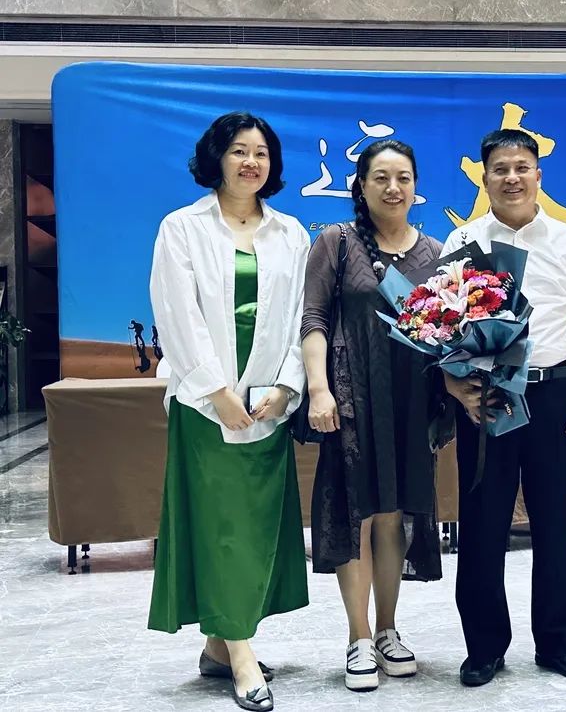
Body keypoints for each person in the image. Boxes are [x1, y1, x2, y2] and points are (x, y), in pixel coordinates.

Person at [148, 112, 310, 712]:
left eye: (261, 153)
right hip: (205, 406)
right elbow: (176, 312)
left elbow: (302, 317)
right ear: (216, 156)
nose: (251, 162)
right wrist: (216, 391)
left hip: (266, 404)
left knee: (255, 529)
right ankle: (242, 657)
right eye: (239, 151)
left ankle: (219, 648)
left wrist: (287, 387)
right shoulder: (183, 227)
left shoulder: (291, 233)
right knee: (220, 529)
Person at [442, 129, 566, 687]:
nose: (511, 178)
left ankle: (559, 644)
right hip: (488, 396)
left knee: (553, 525)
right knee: (483, 526)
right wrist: (455, 386)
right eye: (500, 169)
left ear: (538, 174)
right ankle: (484, 648)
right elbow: (439, 324)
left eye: (521, 167)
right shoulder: (463, 241)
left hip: (553, 391)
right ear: (484, 177)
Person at [301, 139, 451, 691]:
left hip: (411, 399)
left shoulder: (435, 252)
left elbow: (447, 331)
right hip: (352, 394)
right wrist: (319, 389)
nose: (393, 188)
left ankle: (388, 629)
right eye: (381, 177)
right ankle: (358, 637)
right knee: (357, 513)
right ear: (361, 186)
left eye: (403, 178)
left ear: (415, 187)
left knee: (394, 515)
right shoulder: (336, 242)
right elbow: (314, 319)